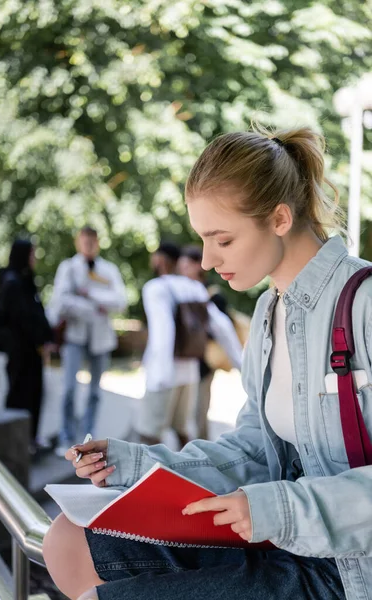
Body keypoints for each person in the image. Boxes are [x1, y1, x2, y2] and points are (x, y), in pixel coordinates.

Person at [41, 126, 372, 600]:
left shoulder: (364, 303)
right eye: (202, 240)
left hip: (350, 571)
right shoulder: (268, 312)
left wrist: (275, 510)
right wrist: (136, 464)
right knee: (69, 540)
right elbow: (256, 450)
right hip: (284, 543)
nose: (210, 260)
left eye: (223, 239)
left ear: (280, 218)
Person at [134, 241, 242, 447]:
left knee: (149, 434)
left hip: (164, 373)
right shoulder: (195, 288)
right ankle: (185, 473)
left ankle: (153, 478)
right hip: (190, 373)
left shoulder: (156, 288)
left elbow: (163, 331)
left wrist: (160, 375)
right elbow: (222, 327)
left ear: (161, 260)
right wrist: (242, 367)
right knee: (182, 431)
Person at [47, 227, 127, 456]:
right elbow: (60, 302)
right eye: (85, 241)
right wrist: (93, 309)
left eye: (92, 241)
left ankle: (88, 437)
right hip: (75, 336)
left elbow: (120, 300)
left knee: (95, 392)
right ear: (78, 242)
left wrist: (90, 295)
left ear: (98, 243)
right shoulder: (69, 268)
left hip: (100, 339)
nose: (88, 245)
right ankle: (66, 436)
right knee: (69, 389)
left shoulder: (108, 269)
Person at [0, 240, 53, 452]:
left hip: (31, 351)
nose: (34, 259)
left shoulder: (24, 281)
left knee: (33, 393)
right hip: (20, 350)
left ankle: (29, 438)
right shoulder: (13, 283)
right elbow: (22, 318)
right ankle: (15, 442)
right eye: (32, 254)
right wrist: (39, 338)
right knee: (19, 393)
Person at [178, 245, 236, 440]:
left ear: (198, 266)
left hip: (204, 363)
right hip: (184, 363)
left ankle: (201, 450)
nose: (183, 270)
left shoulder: (213, 295)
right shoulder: (180, 292)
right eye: (182, 266)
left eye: (187, 266)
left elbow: (223, 329)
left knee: (199, 409)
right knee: (183, 413)